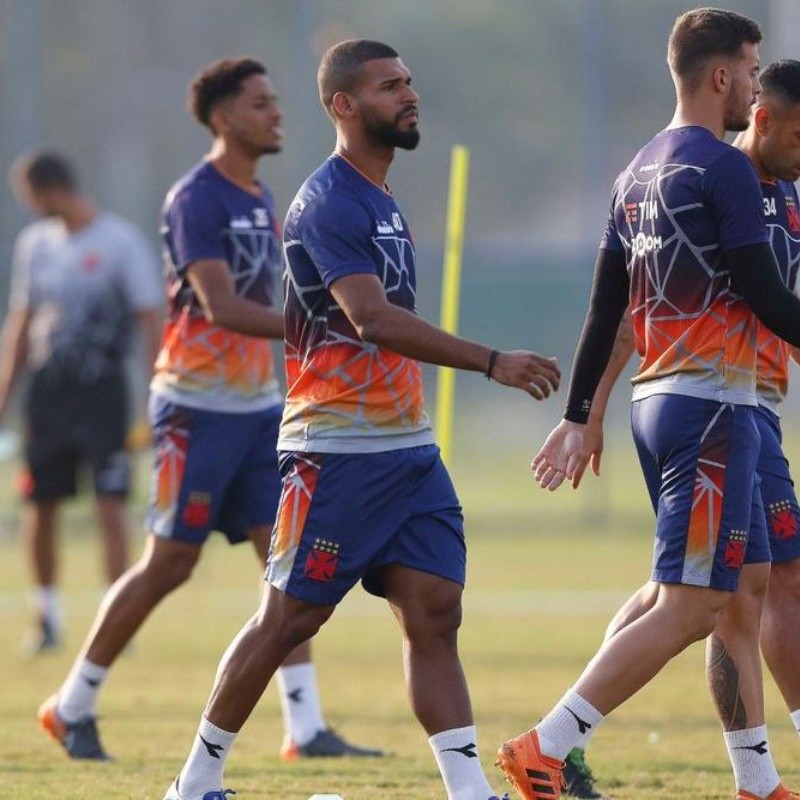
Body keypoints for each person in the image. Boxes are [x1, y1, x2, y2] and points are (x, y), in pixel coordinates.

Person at [160, 39, 561, 800]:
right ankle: (195, 781)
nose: (408, 95)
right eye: (388, 87)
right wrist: (491, 360)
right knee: (288, 620)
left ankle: (468, 789)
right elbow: (370, 319)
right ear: (344, 106)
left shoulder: (379, 196)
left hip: (408, 450)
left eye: (409, 82)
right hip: (335, 451)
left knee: (436, 611)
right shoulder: (331, 201)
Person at [37, 57, 379, 764]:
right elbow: (221, 306)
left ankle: (305, 726)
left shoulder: (259, 196)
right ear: (225, 117)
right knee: (168, 565)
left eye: (276, 102)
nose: (277, 113)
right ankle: (72, 704)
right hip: (197, 409)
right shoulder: (198, 197)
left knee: (283, 566)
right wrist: (321, 326)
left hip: (259, 412)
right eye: (261, 104)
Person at [497, 10, 800, 800]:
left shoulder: (635, 170)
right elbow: (765, 292)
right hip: (712, 408)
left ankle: (757, 781)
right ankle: (546, 745)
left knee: (744, 588)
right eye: (752, 65)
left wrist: (576, 414)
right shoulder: (723, 168)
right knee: (695, 601)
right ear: (723, 75)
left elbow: (605, 309)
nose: (756, 81)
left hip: (665, 400)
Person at [0, 150, 163, 654]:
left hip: (103, 394)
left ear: (48, 190)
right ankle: (46, 618)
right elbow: (22, 322)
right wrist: (5, 394)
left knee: (111, 505)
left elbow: (150, 321)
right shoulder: (36, 244)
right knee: (39, 503)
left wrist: (154, 397)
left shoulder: (119, 243)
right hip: (49, 395)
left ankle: (118, 623)